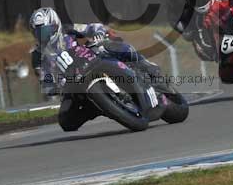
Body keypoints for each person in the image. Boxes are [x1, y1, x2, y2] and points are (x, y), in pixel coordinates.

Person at [29, 7, 159, 131]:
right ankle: (97, 108)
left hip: (91, 59)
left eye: (44, 31)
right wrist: (54, 87)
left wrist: (98, 34)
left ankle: (144, 64)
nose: (42, 36)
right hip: (71, 83)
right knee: (66, 122)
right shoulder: (37, 55)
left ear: (55, 25)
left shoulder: (68, 28)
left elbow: (93, 27)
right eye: (38, 33)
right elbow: (44, 79)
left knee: (111, 45)